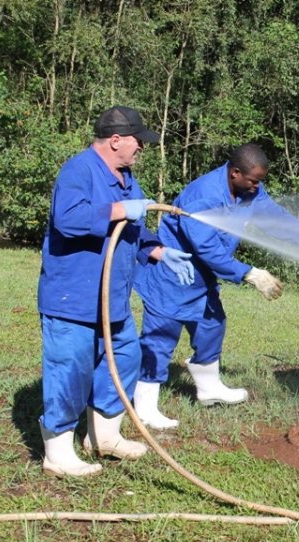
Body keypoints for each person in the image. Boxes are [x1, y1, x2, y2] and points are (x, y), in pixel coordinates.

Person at [133, 143, 299, 429]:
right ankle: (145, 407)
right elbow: (207, 249)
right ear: (235, 173)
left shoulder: (249, 191)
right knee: (161, 337)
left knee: (212, 325)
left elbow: (276, 219)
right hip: (173, 274)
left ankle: (209, 389)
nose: (257, 186)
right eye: (254, 180)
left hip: (202, 278)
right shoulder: (204, 196)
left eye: (260, 181)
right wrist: (250, 274)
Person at [38, 106, 195, 477]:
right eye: (138, 141)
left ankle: (104, 437)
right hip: (74, 299)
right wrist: (120, 208)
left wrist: (159, 251)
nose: (141, 148)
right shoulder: (78, 171)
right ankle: (57, 453)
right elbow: (68, 219)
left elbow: (133, 229)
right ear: (115, 140)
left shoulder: (126, 178)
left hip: (113, 301)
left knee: (125, 358)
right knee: (71, 369)